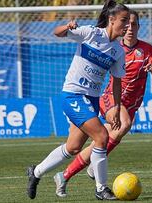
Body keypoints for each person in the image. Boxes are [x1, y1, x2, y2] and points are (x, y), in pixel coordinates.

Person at [53, 9, 152, 198]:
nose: (129, 28)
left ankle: (65, 175)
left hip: (131, 105)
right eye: (127, 24)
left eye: (134, 24)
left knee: (101, 140)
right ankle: (95, 176)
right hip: (111, 98)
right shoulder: (115, 48)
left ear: (138, 27)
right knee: (124, 125)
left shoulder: (147, 50)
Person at [26, 0, 130, 200]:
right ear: (111, 19)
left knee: (73, 147)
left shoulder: (118, 51)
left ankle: (36, 172)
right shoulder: (91, 33)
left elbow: (117, 82)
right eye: (124, 21)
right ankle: (101, 188)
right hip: (73, 94)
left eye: (129, 22)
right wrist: (67, 26)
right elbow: (57, 32)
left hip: (91, 99)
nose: (127, 25)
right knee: (101, 136)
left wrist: (116, 107)